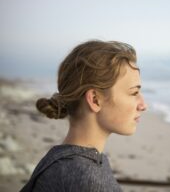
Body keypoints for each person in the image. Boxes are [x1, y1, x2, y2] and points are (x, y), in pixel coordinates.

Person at [20, 40, 147, 192]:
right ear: (95, 99)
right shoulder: (87, 180)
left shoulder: (59, 159)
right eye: (134, 93)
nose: (143, 105)